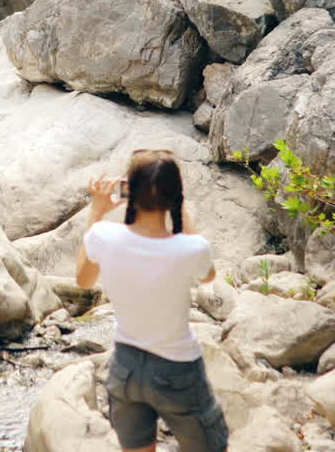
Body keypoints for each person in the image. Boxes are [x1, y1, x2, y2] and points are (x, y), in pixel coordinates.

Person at [75, 149, 229, 452]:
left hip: (126, 367)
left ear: (129, 192)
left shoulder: (103, 236)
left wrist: (96, 211)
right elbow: (208, 276)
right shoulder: (191, 248)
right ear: (175, 196)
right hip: (179, 370)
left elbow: (83, 280)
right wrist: (179, 208)